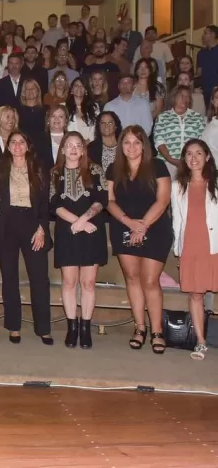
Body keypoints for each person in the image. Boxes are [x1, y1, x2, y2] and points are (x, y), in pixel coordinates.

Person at [105, 126, 172, 354]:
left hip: (155, 228)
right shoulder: (114, 169)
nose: (131, 147)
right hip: (124, 228)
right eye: (127, 142)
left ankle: (157, 331)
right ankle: (140, 328)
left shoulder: (157, 166)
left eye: (136, 142)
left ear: (144, 144)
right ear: (121, 146)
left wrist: (142, 224)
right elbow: (110, 201)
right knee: (132, 278)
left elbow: (163, 200)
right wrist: (129, 223)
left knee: (150, 281)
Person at [50, 132, 108, 349]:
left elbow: (101, 200)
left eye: (78, 145)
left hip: (92, 230)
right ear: (63, 149)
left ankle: (85, 327)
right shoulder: (55, 173)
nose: (73, 149)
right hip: (68, 232)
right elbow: (54, 203)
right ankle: (71, 327)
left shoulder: (95, 170)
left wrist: (84, 220)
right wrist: (77, 222)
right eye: (69, 145)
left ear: (83, 150)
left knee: (88, 283)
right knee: (69, 282)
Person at [0, 130, 53, 345]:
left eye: (21, 142)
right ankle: (14, 326)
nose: (17, 146)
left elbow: (46, 203)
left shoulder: (38, 168)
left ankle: (44, 328)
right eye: (13, 142)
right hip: (7, 225)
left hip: (32, 224)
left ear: (28, 146)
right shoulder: (0, 168)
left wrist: (42, 228)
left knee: (39, 278)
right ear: (8, 146)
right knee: (9, 278)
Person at [171, 139, 218, 360]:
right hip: (191, 245)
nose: (194, 158)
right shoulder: (177, 186)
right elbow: (176, 221)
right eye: (189, 154)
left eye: (199, 153)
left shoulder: (216, 183)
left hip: (214, 245)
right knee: (195, 294)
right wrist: (178, 249)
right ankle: (200, 342)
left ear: (207, 156)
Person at [154, 85, 205, 178]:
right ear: (173, 97)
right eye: (181, 96)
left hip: (191, 163)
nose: (185, 99)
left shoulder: (197, 117)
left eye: (187, 96)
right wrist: (171, 160)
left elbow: (201, 142)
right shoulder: (163, 117)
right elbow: (159, 142)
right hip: (167, 163)